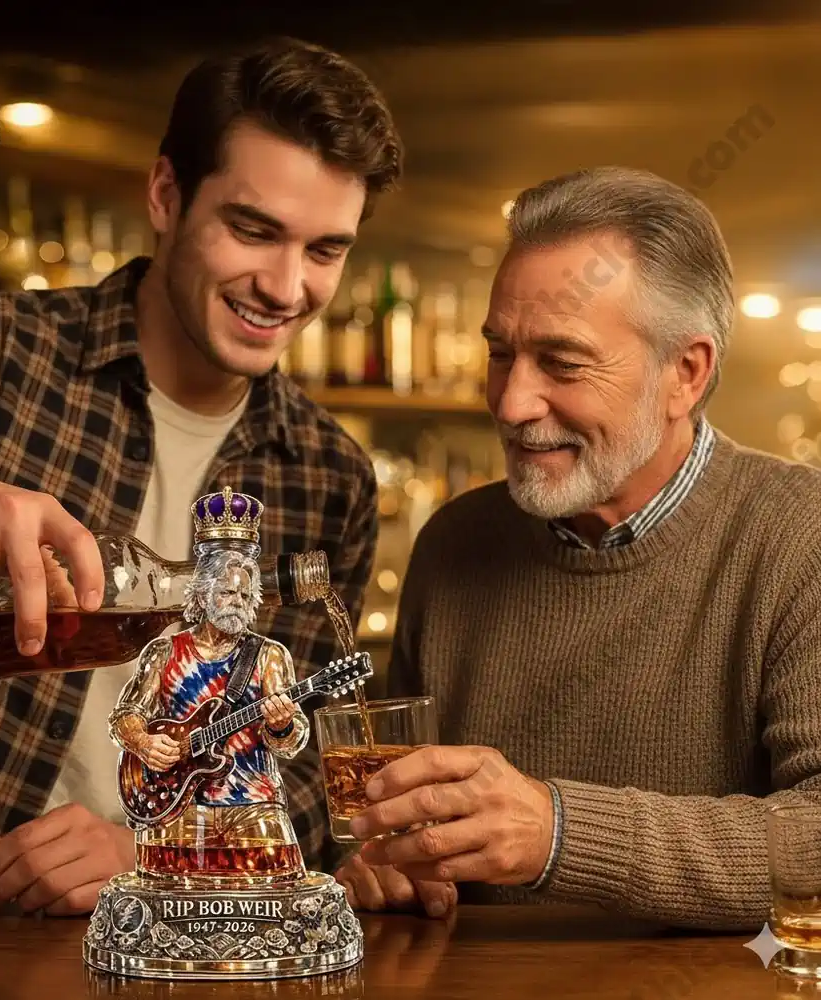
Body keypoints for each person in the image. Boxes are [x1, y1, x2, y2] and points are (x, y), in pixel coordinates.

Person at [0, 36, 402, 916]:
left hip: (180, 939)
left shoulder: (329, 476)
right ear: (167, 196)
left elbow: (305, 768)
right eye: (253, 230)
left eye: (325, 250)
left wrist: (163, 844)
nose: (287, 287)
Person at [336, 165, 821, 932]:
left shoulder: (801, 538)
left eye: (562, 362)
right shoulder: (453, 544)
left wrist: (558, 834)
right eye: (501, 353)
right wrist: (380, 867)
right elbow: (401, 829)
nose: (511, 402)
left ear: (684, 375)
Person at [109, 487, 310, 880]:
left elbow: (291, 742)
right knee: (168, 894)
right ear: (202, 592)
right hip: (181, 801)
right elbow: (125, 716)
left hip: (254, 800)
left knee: (274, 890)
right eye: (226, 590)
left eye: (243, 592)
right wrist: (144, 743)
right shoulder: (164, 653)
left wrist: (282, 723)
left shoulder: (268, 655)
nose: (236, 600)